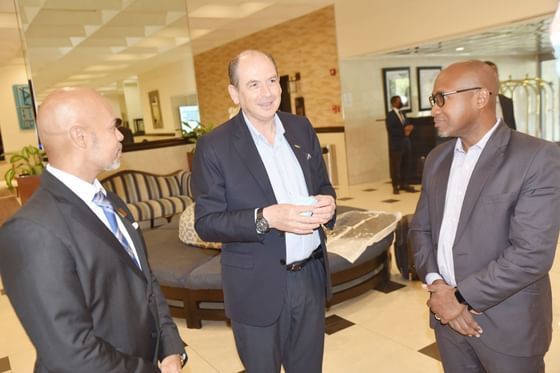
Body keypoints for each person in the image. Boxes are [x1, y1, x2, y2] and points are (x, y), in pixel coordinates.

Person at [0, 88, 187, 373]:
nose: (122, 135)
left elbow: (144, 279)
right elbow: (71, 355)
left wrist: (170, 346)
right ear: (80, 136)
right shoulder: (31, 231)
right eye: (113, 126)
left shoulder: (110, 200)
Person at [191, 50, 336, 373]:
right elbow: (206, 222)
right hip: (256, 285)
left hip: (310, 277)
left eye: (272, 81)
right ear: (234, 93)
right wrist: (265, 218)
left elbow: (323, 186)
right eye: (254, 84)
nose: (268, 92)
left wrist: (329, 202)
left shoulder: (300, 128)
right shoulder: (214, 146)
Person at [410, 60, 560, 372]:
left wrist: (460, 297)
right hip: (446, 320)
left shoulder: (536, 157)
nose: (434, 109)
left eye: (442, 98)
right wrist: (439, 287)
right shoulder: (437, 159)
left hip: (508, 326)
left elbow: (532, 253)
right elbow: (420, 230)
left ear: (480, 98)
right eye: (432, 101)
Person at [385, 95, 417, 194]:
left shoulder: (402, 113)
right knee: (396, 166)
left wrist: (409, 128)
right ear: (393, 103)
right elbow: (391, 130)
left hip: (406, 142)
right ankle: (395, 186)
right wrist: (404, 131)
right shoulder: (390, 115)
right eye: (398, 101)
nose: (400, 103)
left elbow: (405, 125)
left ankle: (404, 184)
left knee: (405, 164)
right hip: (396, 144)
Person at [484, 60, 517, 130]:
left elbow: (512, 129)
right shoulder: (474, 102)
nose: (494, 80)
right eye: (489, 76)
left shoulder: (506, 102)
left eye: (496, 75)